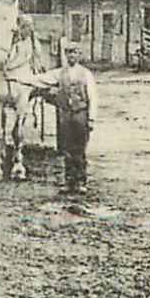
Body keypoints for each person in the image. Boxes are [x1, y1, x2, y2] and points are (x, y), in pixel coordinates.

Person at [50, 40, 98, 193]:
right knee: (66, 149)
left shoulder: (86, 74)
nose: (71, 56)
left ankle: (81, 182)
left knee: (80, 149)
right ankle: (69, 182)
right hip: (66, 116)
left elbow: (93, 97)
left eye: (74, 53)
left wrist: (91, 119)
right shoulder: (59, 73)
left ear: (79, 55)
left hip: (81, 114)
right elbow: (41, 79)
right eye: (68, 53)